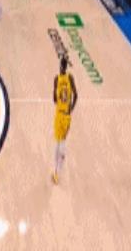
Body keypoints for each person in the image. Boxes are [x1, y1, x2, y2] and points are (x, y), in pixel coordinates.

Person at [52, 56, 78, 185]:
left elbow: (75, 95)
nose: (61, 68)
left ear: (62, 67)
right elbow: (55, 99)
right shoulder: (63, 78)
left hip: (63, 115)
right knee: (60, 143)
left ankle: (57, 172)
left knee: (60, 144)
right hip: (62, 115)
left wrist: (70, 108)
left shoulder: (63, 79)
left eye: (61, 66)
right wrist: (70, 107)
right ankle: (57, 171)